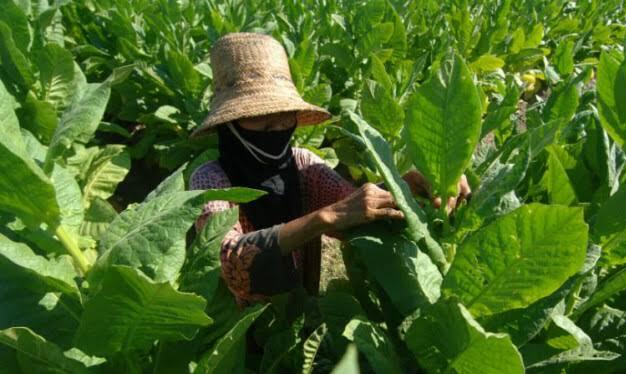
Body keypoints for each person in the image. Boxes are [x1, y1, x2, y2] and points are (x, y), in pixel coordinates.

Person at [188, 32, 471, 308]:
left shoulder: (301, 164)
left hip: (300, 309)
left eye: (284, 118)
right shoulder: (210, 179)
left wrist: (408, 188)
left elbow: (353, 205)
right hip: (230, 330)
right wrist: (324, 218)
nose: (275, 128)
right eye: (260, 120)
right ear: (231, 124)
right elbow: (230, 260)